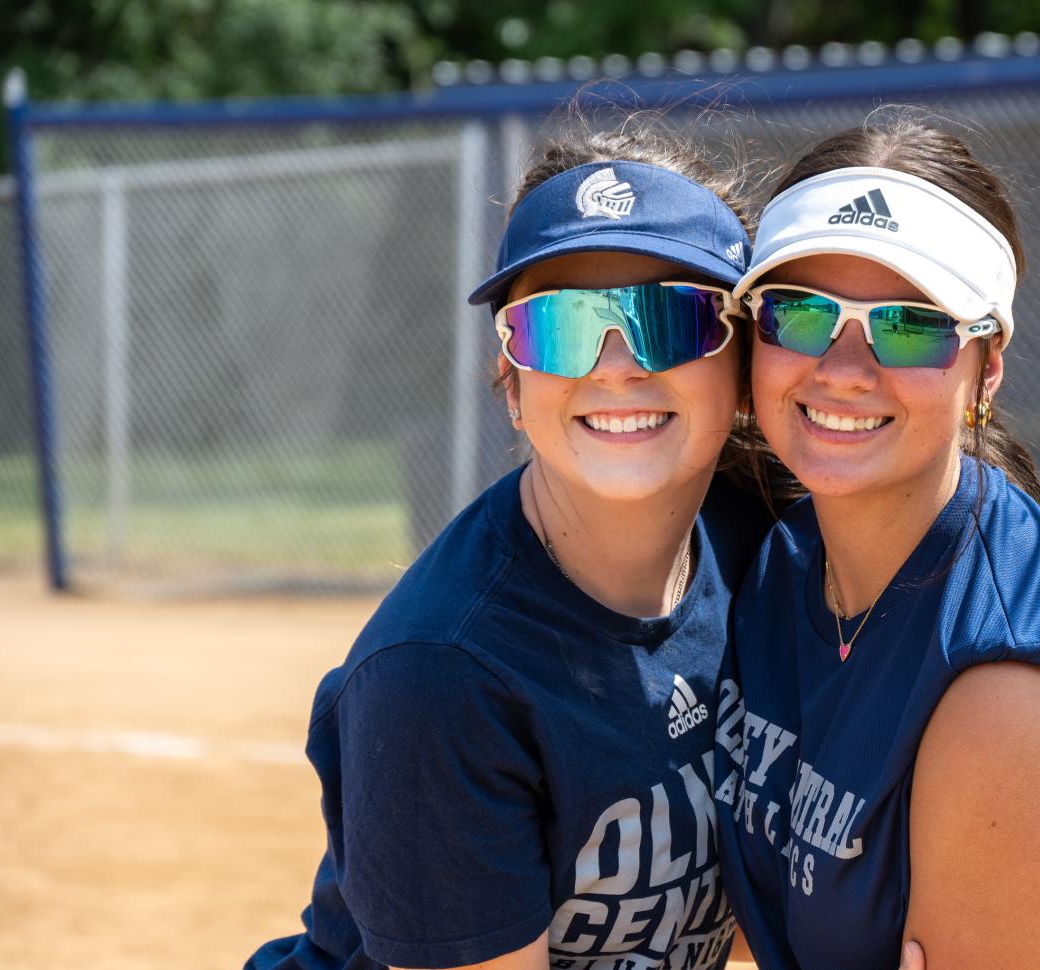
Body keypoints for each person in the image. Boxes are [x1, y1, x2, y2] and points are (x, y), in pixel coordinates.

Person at [712, 120, 1040, 970]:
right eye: (802, 313)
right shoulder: (781, 559)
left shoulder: (1008, 697)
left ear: (987, 367)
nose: (845, 367)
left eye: (909, 327)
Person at [249, 121, 775, 970]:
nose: (615, 365)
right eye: (560, 327)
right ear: (510, 379)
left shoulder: (762, 548)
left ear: (744, 364)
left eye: (670, 317)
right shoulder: (442, 672)